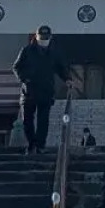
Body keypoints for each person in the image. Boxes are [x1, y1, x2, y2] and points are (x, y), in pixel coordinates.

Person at [12, 25, 75, 154]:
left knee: (43, 120)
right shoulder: (27, 50)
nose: (44, 41)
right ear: (36, 37)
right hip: (29, 90)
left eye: (46, 38)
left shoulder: (54, 52)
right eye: (41, 38)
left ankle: (40, 145)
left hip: (46, 89)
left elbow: (61, 67)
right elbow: (17, 67)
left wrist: (67, 79)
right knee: (27, 120)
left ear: (50, 38)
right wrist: (25, 79)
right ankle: (31, 144)